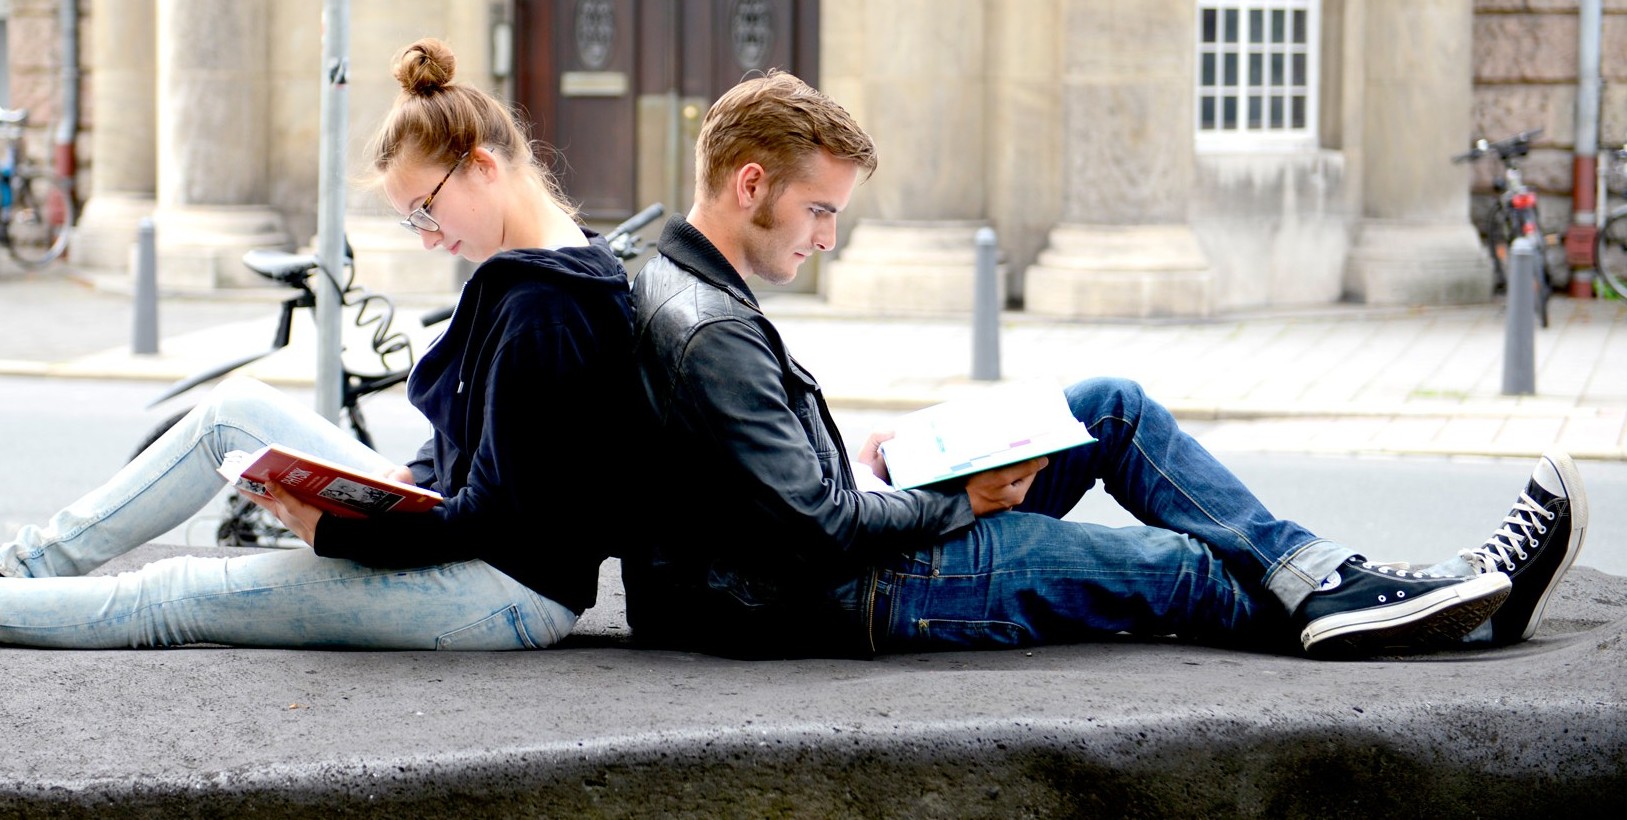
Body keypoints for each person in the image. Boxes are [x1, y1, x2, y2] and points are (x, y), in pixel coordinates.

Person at [622, 71, 1590, 660]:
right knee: (1177, 569)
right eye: (820, 211)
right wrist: (972, 500)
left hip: (827, 559)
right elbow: (815, 529)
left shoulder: (692, 287)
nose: (828, 237)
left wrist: (868, 456)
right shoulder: (709, 326)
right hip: (852, 592)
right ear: (752, 183)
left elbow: (763, 482)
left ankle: (1324, 573)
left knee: (1110, 408)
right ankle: (1446, 611)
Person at [0, 38, 636, 651]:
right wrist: (369, 493)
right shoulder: (550, 267)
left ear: (481, 165)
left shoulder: (545, 310)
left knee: (180, 594)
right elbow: (485, 469)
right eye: (411, 218)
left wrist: (337, 533)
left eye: (424, 210)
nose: (423, 235)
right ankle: (14, 569)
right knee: (230, 412)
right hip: (481, 550)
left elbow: (498, 518)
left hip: (507, 594)